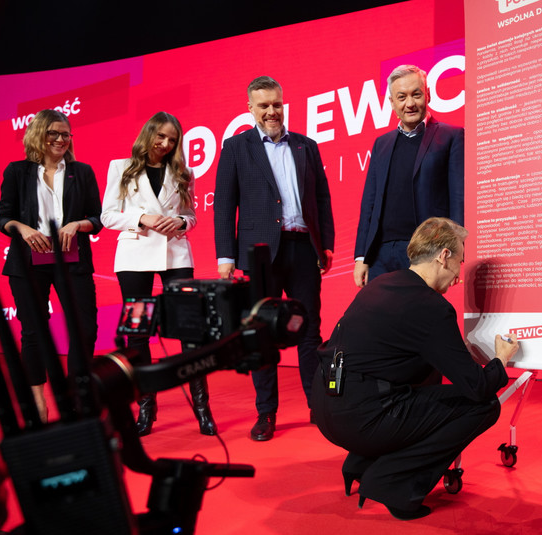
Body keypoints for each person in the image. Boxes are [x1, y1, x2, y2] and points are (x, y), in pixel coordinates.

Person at [312, 217, 518, 520]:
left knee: (427, 381)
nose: (459, 276)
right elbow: (475, 387)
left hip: (327, 406)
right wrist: (500, 359)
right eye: (460, 262)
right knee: (484, 406)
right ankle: (393, 484)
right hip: (362, 418)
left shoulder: (382, 283)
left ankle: (364, 463)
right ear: (443, 256)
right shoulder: (429, 306)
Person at [214, 75, 335, 441]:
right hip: (259, 255)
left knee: (309, 330)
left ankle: (319, 408)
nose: (271, 111)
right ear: (250, 108)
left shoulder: (306, 146)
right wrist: (225, 256)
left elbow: (323, 200)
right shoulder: (236, 148)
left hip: (302, 249)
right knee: (262, 334)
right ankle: (266, 412)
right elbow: (224, 206)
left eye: (276, 105)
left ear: (284, 105)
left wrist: (325, 244)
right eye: (263, 105)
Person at [101, 111, 217, 437]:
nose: (165, 144)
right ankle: (146, 409)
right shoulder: (120, 167)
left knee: (191, 332)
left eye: (172, 140)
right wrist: (142, 219)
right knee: (137, 334)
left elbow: (191, 216)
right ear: (148, 133)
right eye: (161, 137)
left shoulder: (183, 172)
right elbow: (107, 215)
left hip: (176, 254)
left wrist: (181, 223)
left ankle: (202, 408)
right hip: (134, 256)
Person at [0, 109, 102, 422]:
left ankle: (76, 399)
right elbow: (3, 216)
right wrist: (23, 228)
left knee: (85, 330)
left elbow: (97, 218)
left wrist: (77, 225)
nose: (60, 139)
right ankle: (38, 402)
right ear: (38, 135)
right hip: (28, 260)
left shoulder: (81, 171)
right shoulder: (17, 171)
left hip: (71, 258)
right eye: (53, 133)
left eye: (65, 134)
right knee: (34, 331)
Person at [353, 64, 464, 287]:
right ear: (392, 103)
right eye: (401, 97)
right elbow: (370, 203)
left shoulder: (451, 136)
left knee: (417, 318)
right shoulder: (381, 144)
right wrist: (362, 256)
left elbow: (458, 199)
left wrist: (453, 253)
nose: (410, 103)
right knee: (381, 320)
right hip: (380, 255)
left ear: (428, 95)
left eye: (416, 94)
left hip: (426, 252)